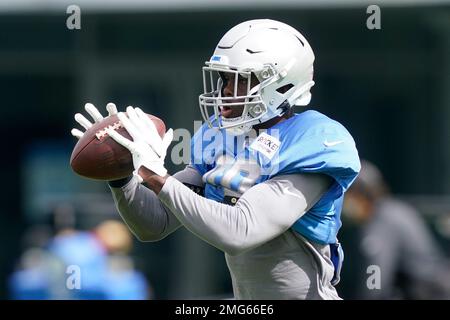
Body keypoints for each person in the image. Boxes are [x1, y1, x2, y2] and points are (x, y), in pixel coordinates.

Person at [71, 19, 360, 299]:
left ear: (282, 86)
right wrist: (122, 173)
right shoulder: (221, 138)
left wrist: (157, 177)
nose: (227, 92)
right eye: (225, 78)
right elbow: (153, 224)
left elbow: (240, 231)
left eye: (242, 80)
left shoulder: (311, 141)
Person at [343, 160, 450, 299]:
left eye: (345, 194)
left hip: (428, 292)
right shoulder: (395, 208)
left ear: (359, 193)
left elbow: (376, 273)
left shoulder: (381, 220)